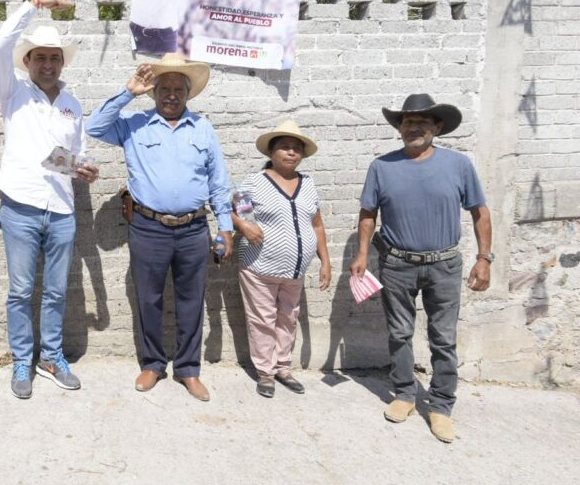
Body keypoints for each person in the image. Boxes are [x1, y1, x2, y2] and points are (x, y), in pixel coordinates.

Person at [86, 55, 233, 402]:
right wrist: (128, 92)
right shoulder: (133, 125)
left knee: (191, 301)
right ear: (153, 93)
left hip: (194, 229)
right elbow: (93, 127)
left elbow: (219, 183)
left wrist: (225, 227)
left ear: (187, 93)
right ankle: (152, 364)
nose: (170, 95)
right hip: (148, 229)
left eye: (177, 89)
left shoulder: (203, 129)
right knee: (148, 300)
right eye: (163, 88)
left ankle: (188, 370)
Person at [351, 93, 492, 444]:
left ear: (437, 127)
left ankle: (441, 406)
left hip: (444, 264)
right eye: (407, 122)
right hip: (397, 264)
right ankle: (404, 394)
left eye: (422, 122)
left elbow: (480, 212)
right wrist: (362, 254)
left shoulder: (458, 165)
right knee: (399, 333)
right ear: (399, 129)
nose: (414, 127)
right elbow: (368, 215)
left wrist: (484, 257)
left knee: (443, 338)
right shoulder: (381, 167)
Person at [0, 0, 99, 399]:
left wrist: (85, 168)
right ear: (28, 62)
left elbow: (79, 153)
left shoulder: (72, 104)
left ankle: (50, 357)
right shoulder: (13, 93)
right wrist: (34, 5)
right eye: (40, 57)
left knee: (56, 291)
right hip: (20, 206)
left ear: (62, 62)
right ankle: (22, 359)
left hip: (62, 211)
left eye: (55, 57)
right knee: (20, 291)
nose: (48, 64)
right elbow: (0, 44)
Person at [233, 120, 332, 399]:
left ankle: (283, 367)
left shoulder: (308, 184)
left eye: (296, 149)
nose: (291, 153)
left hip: (295, 269)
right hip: (259, 266)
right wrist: (244, 226)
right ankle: (265, 372)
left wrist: (325, 261)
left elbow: (317, 224)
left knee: (288, 318)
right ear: (271, 153)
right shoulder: (254, 182)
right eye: (284, 148)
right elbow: (230, 210)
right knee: (262, 319)